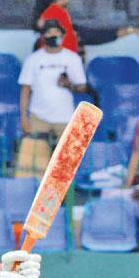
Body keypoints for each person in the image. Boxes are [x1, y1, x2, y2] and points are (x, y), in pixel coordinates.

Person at [16, 19, 87, 178]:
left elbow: (82, 87)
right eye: (49, 32)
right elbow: (25, 90)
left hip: (65, 116)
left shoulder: (72, 58)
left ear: (63, 35)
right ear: (43, 37)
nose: (53, 35)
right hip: (38, 116)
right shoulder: (33, 59)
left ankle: (66, 197)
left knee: (66, 163)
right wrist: (24, 117)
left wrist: (68, 84)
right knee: (34, 163)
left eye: (57, 32)